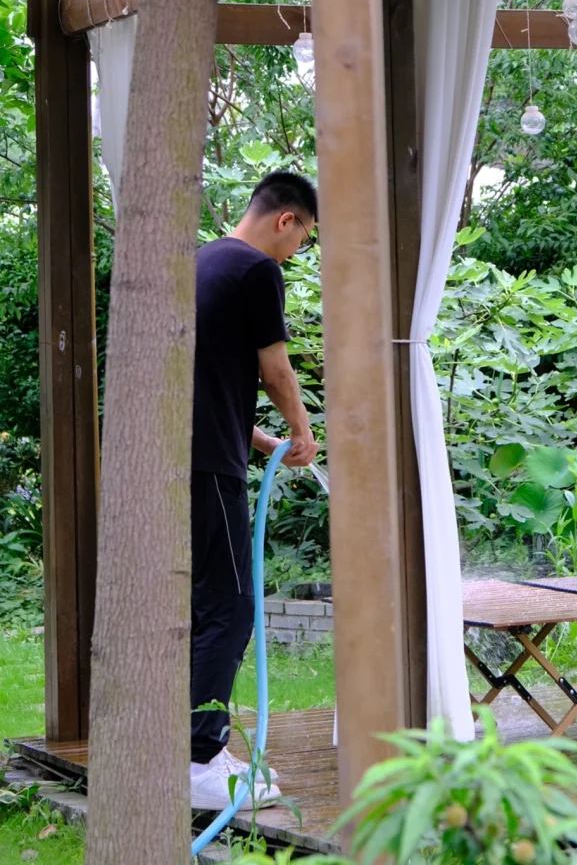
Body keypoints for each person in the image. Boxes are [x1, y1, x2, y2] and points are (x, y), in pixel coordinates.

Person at [189, 170, 319, 812]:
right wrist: (303, 429)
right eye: (303, 239)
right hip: (209, 464)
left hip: (184, 456)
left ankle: (191, 744)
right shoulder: (256, 270)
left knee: (203, 604)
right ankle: (198, 756)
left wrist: (270, 446)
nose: (296, 253)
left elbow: (213, 384)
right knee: (233, 604)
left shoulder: (204, 260)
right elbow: (274, 368)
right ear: (286, 220)